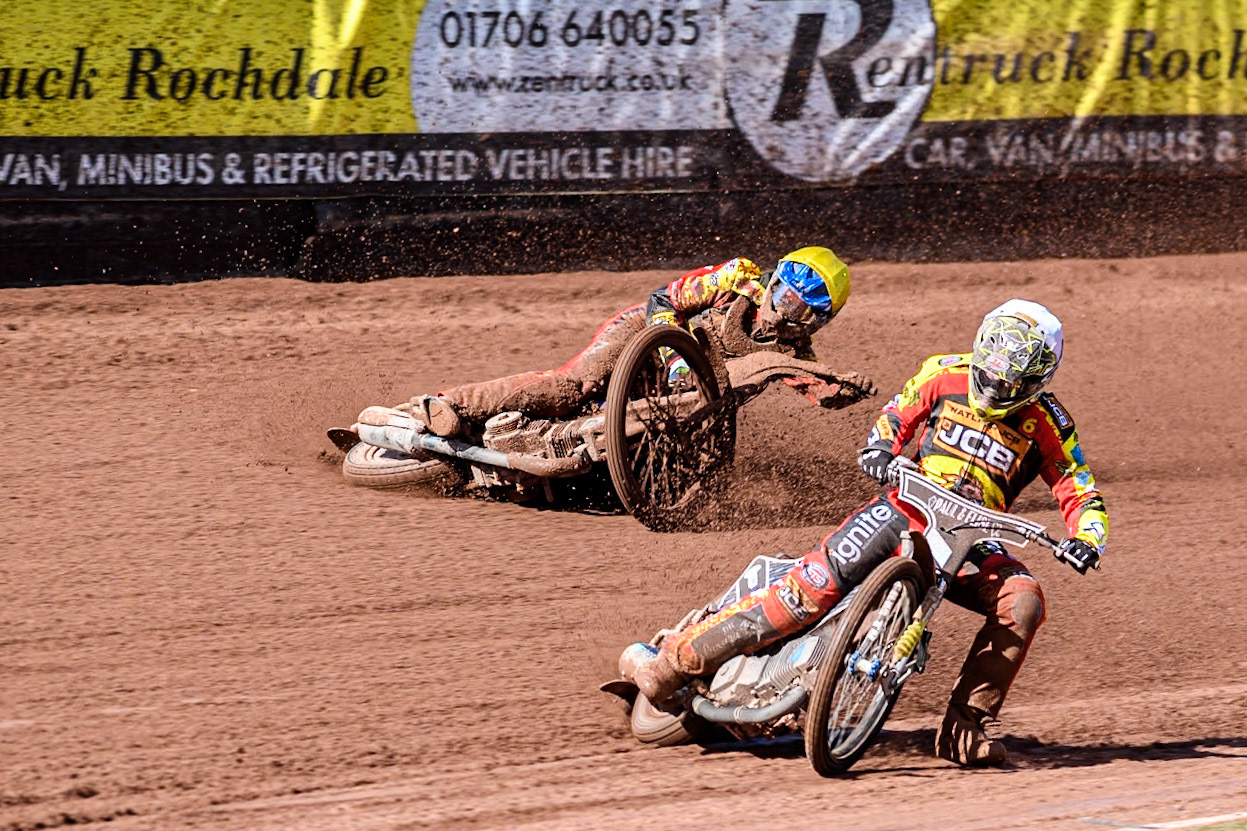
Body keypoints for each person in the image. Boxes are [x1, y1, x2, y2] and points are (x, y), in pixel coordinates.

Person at [631, 299, 1109, 767]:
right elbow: (898, 412)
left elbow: (1082, 491)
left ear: (1038, 380)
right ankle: (675, 662)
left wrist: (1088, 538)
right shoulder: (944, 371)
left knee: (1023, 600)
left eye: (1010, 383)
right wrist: (881, 446)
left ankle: (966, 725)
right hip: (903, 507)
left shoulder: (1050, 424)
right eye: (990, 373)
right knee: (806, 593)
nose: (995, 386)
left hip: (972, 537)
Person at [410, 246, 861, 437]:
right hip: (642, 332)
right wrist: (675, 360)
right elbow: (665, 298)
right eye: (783, 294)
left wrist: (841, 392)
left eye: (799, 309)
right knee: (576, 385)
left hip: (683, 397)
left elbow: (816, 391)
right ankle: (452, 404)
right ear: (774, 278)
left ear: (815, 322)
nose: (782, 311)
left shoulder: (795, 355)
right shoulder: (735, 279)